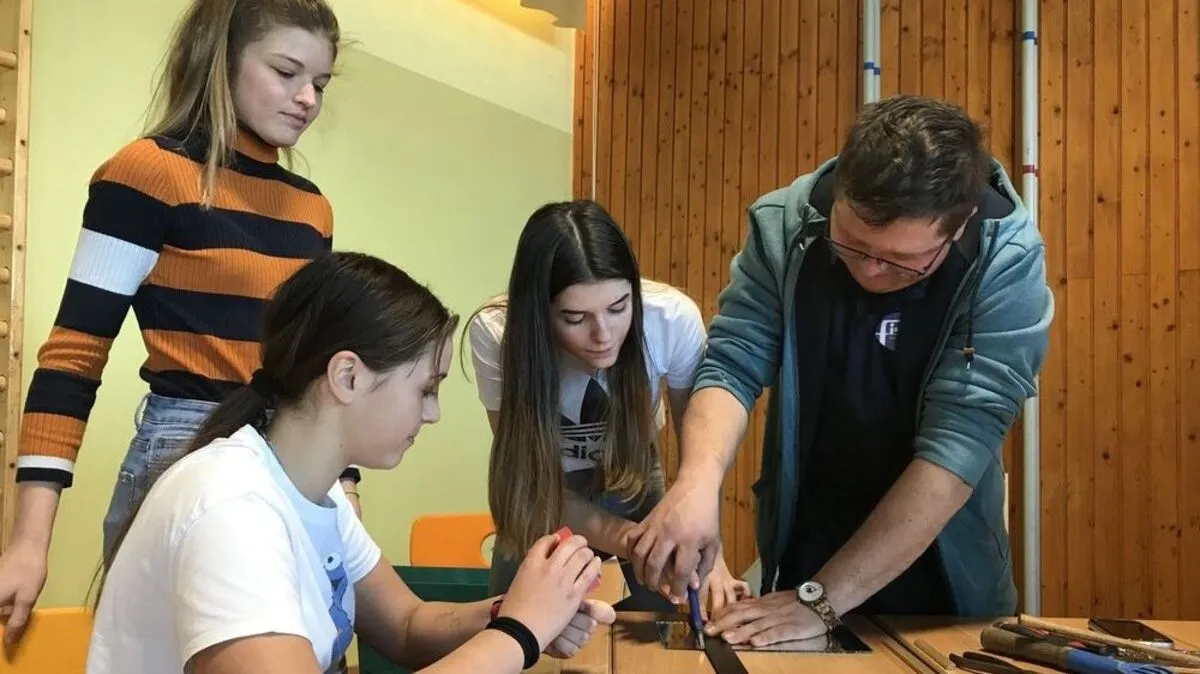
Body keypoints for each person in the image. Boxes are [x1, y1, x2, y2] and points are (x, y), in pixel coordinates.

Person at [625, 95, 1054, 645]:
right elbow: (733, 360)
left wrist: (825, 599)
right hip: (806, 547)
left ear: (960, 222)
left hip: (947, 579)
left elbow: (958, 448)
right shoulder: (785, 222)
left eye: (900, 260)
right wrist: (696, 484)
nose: (871, 271)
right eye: (851, 243)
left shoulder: (1007, 262)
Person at [0, 0, 362, 643]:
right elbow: (73, 358)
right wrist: (29, 543)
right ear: (221, 62)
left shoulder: (313, 210)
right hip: (187, 444)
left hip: (297, 453)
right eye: (286, 72)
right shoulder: (148, 174)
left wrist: (344, 485)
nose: (307, 98)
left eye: (321, 83)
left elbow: (320, 363)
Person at [87, 251, 616, 674]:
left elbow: (407, 626)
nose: (432, 414)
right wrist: (520, 632)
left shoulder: (318, 492)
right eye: (426, 390)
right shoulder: (232, 508)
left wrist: (517, 610)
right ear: (347, 377)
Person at [466, 199, 750, 615]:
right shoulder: (496, 333)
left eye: (618, 308)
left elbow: (700, 467)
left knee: (673, 615)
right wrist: (633, 542)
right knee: (514, 625)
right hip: (542, 489)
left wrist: (712, 557)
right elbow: (533, 481)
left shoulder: (669, 318)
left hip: (634, 478)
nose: (603, 334)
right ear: (538, 313)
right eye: (575, 318)